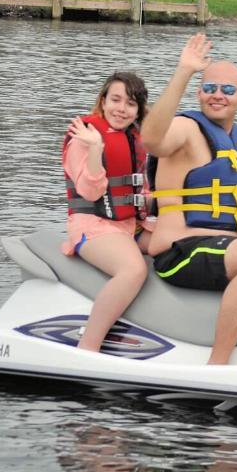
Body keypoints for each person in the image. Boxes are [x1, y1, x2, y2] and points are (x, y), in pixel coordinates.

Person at [141, 33, 237, 366]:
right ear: (199, 93)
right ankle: (218, 365)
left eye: (228, 90)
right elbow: (151, 139)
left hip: (223, 245)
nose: (218, 95)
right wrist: (184, 71)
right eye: (209, 88)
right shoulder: (186, 129)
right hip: (179, 252)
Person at [62, 72, 152, 352]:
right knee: (133, 270)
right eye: (115, 100)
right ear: (103, 101)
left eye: (131, 103)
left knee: (175, 239)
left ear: (138, 110)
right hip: (93, 225)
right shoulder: (84, 137)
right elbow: (90, 192)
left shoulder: (135, 139)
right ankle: (89, 346)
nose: (121, 109)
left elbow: (144, 190)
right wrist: (95, 149)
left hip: (130, 225)